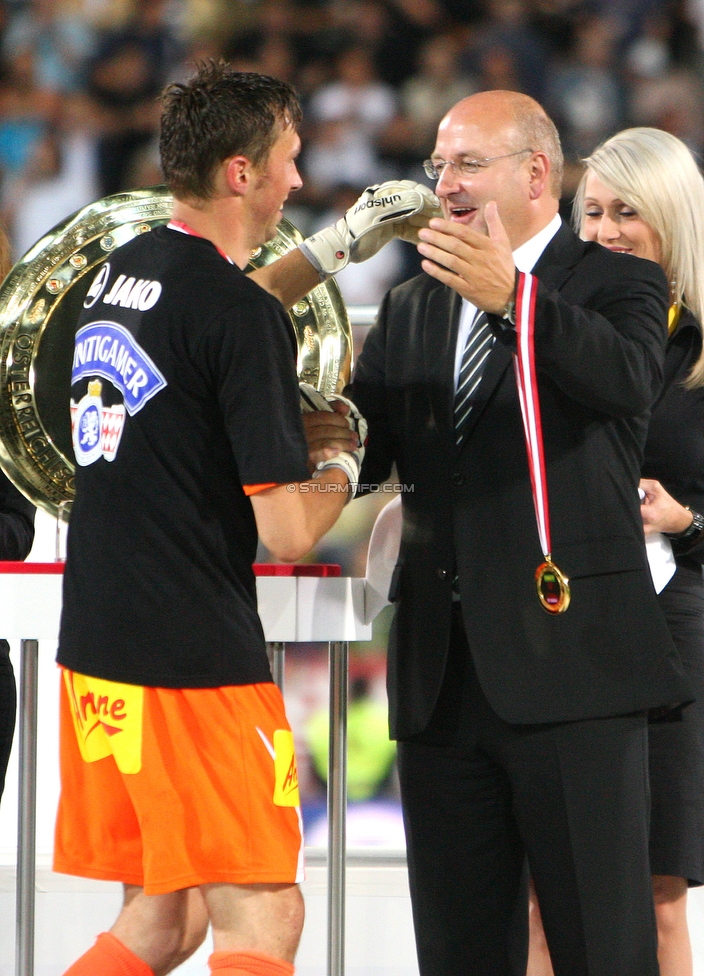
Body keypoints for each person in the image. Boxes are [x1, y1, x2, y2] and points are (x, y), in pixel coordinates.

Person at [293, 90, 693, 976]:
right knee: (461, 952)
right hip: (441, 681)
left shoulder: (619, 280)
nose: (445, 183)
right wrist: (313, 428)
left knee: (603, 947)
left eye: (467, 163)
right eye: (438, 165)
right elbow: (370, 443)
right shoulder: (412, 306)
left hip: (576, 671)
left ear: (537, 173)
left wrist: (512, 296)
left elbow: (627, 383)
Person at [51, 60, 437, 976]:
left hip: (98, 653)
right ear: (241, 172)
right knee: (265, 916)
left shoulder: (119, 274)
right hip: (193, 663)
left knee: (161, 920)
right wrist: (345, 460)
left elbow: (218, 318)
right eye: (289, 160)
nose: (298, 180)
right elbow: (289, 533)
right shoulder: (227, 313)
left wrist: (337, 245)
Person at [527, 126, 704, 976]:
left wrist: (686, 521)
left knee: (656, 892)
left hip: (675, 629)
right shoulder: (547, 329)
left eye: (627, 211)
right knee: (539, 891)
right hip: (564, 617)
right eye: (590, 211)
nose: (603, 231)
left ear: (673, 217)